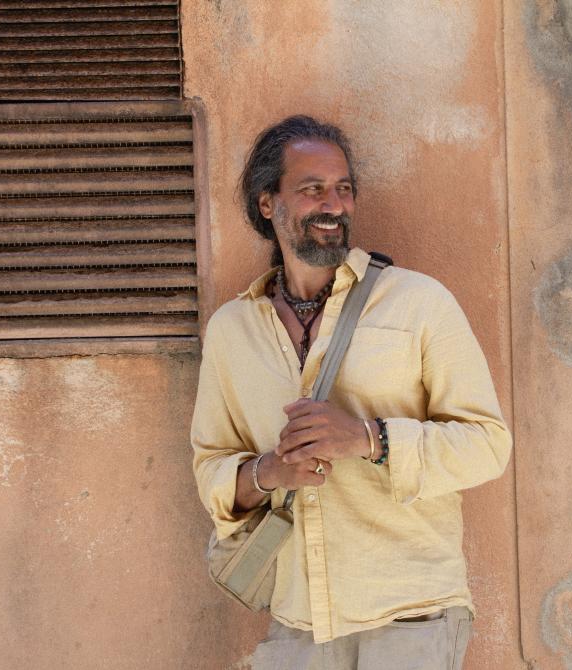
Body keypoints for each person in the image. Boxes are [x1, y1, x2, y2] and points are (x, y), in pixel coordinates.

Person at [190, 115, 512, 670]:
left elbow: (488, 445)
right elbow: (211, 469)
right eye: (312, 189)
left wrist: (369, 437)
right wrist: (271, 471)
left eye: (343, 188)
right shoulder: (231, 331)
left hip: (411, 617)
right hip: (298, 623)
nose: (334, 205)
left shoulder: (419, 303)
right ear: (267, 203)